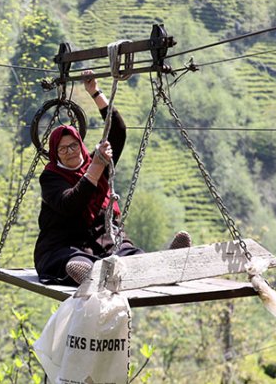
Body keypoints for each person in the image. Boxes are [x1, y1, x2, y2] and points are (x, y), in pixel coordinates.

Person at [33, 70, 191, 286]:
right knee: (75, 263)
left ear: (80, 143)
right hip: (64, 245)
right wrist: (97, 166)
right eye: (62, 149)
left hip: (105, 239)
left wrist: (95, 92)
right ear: (55, 154)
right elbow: (70, 204)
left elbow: (117, 130)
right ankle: (90, 276)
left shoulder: (95, 161)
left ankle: (166, 266)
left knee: (130, 255)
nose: (70, 151)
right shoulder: (51, 177)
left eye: (73, 145)